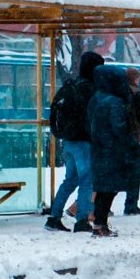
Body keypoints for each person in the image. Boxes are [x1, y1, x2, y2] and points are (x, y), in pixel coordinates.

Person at [46, 51, 104, 233]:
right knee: (87, 181)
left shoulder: (72, 86)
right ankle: (82, 220)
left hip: (69, 141)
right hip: (85, 142)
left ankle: (54, 217)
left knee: (70, 180)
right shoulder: (92, 89)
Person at [86, 65, 140, 237]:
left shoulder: (95, 98)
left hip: (99, 149)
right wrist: (130, 143)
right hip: (113, 152)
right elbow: (119, 128)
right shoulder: (115, 102)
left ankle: (99, 224)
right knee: (109, 189)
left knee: (102, 188)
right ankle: (101, 224)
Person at [122, 67, 140, 215]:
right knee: (135, 173)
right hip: (131, 139)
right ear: (135, 79)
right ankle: (131, 205)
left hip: (116, 139)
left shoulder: (117, 93)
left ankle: (103, 207)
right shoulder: (137, 94)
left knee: (115, 172)